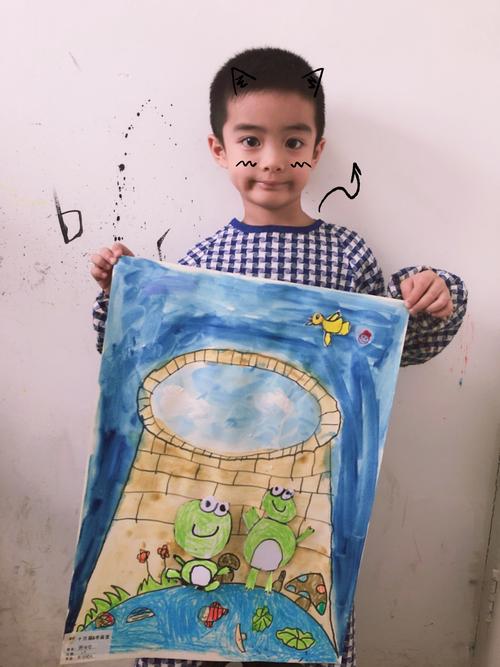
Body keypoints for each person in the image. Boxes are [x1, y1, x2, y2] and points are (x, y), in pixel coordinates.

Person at [90, 47, 467, 667]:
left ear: (317, 150)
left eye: (293, 141)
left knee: (296, 609)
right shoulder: (199, 263)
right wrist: (126, 293)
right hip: (208, 479)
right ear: (219, 149)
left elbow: (389, 351)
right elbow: (133, 359)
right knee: (195, 602)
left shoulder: (347, 256)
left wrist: (432, 293)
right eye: (250, 141)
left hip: (309, 490)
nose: (272, 160)